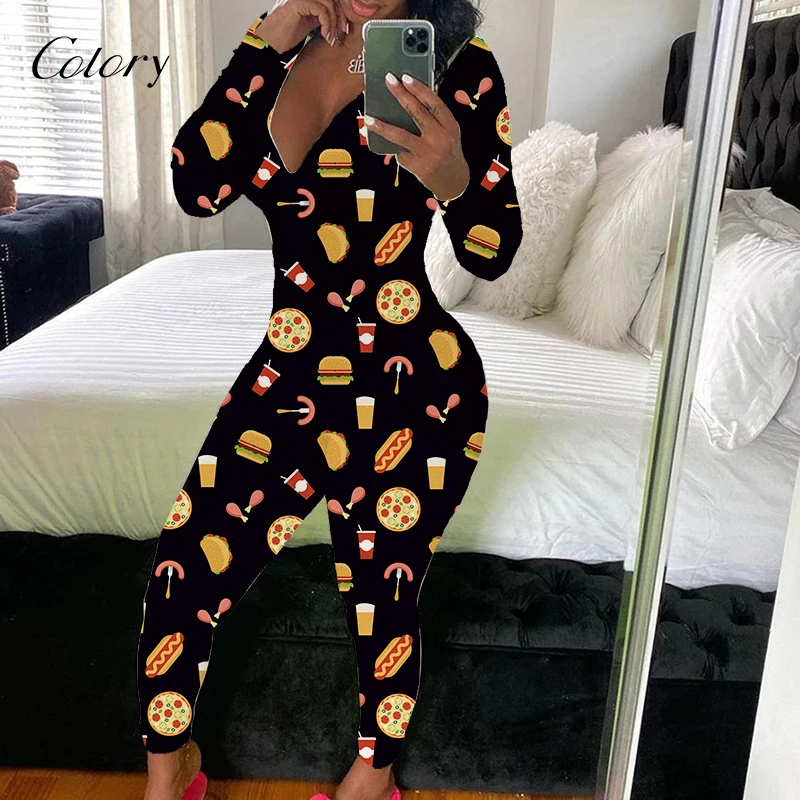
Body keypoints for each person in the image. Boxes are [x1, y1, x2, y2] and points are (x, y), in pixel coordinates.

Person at [138, 0, 522, 798]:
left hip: (417, 380)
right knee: (186, 565)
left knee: (382, 590)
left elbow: (493, 251)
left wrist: (454, 179)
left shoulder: (460, 62)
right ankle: (168, 770)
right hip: (290, 368)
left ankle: (372, 778)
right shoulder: (277, 48)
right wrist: (261, 44)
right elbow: (197, 189)